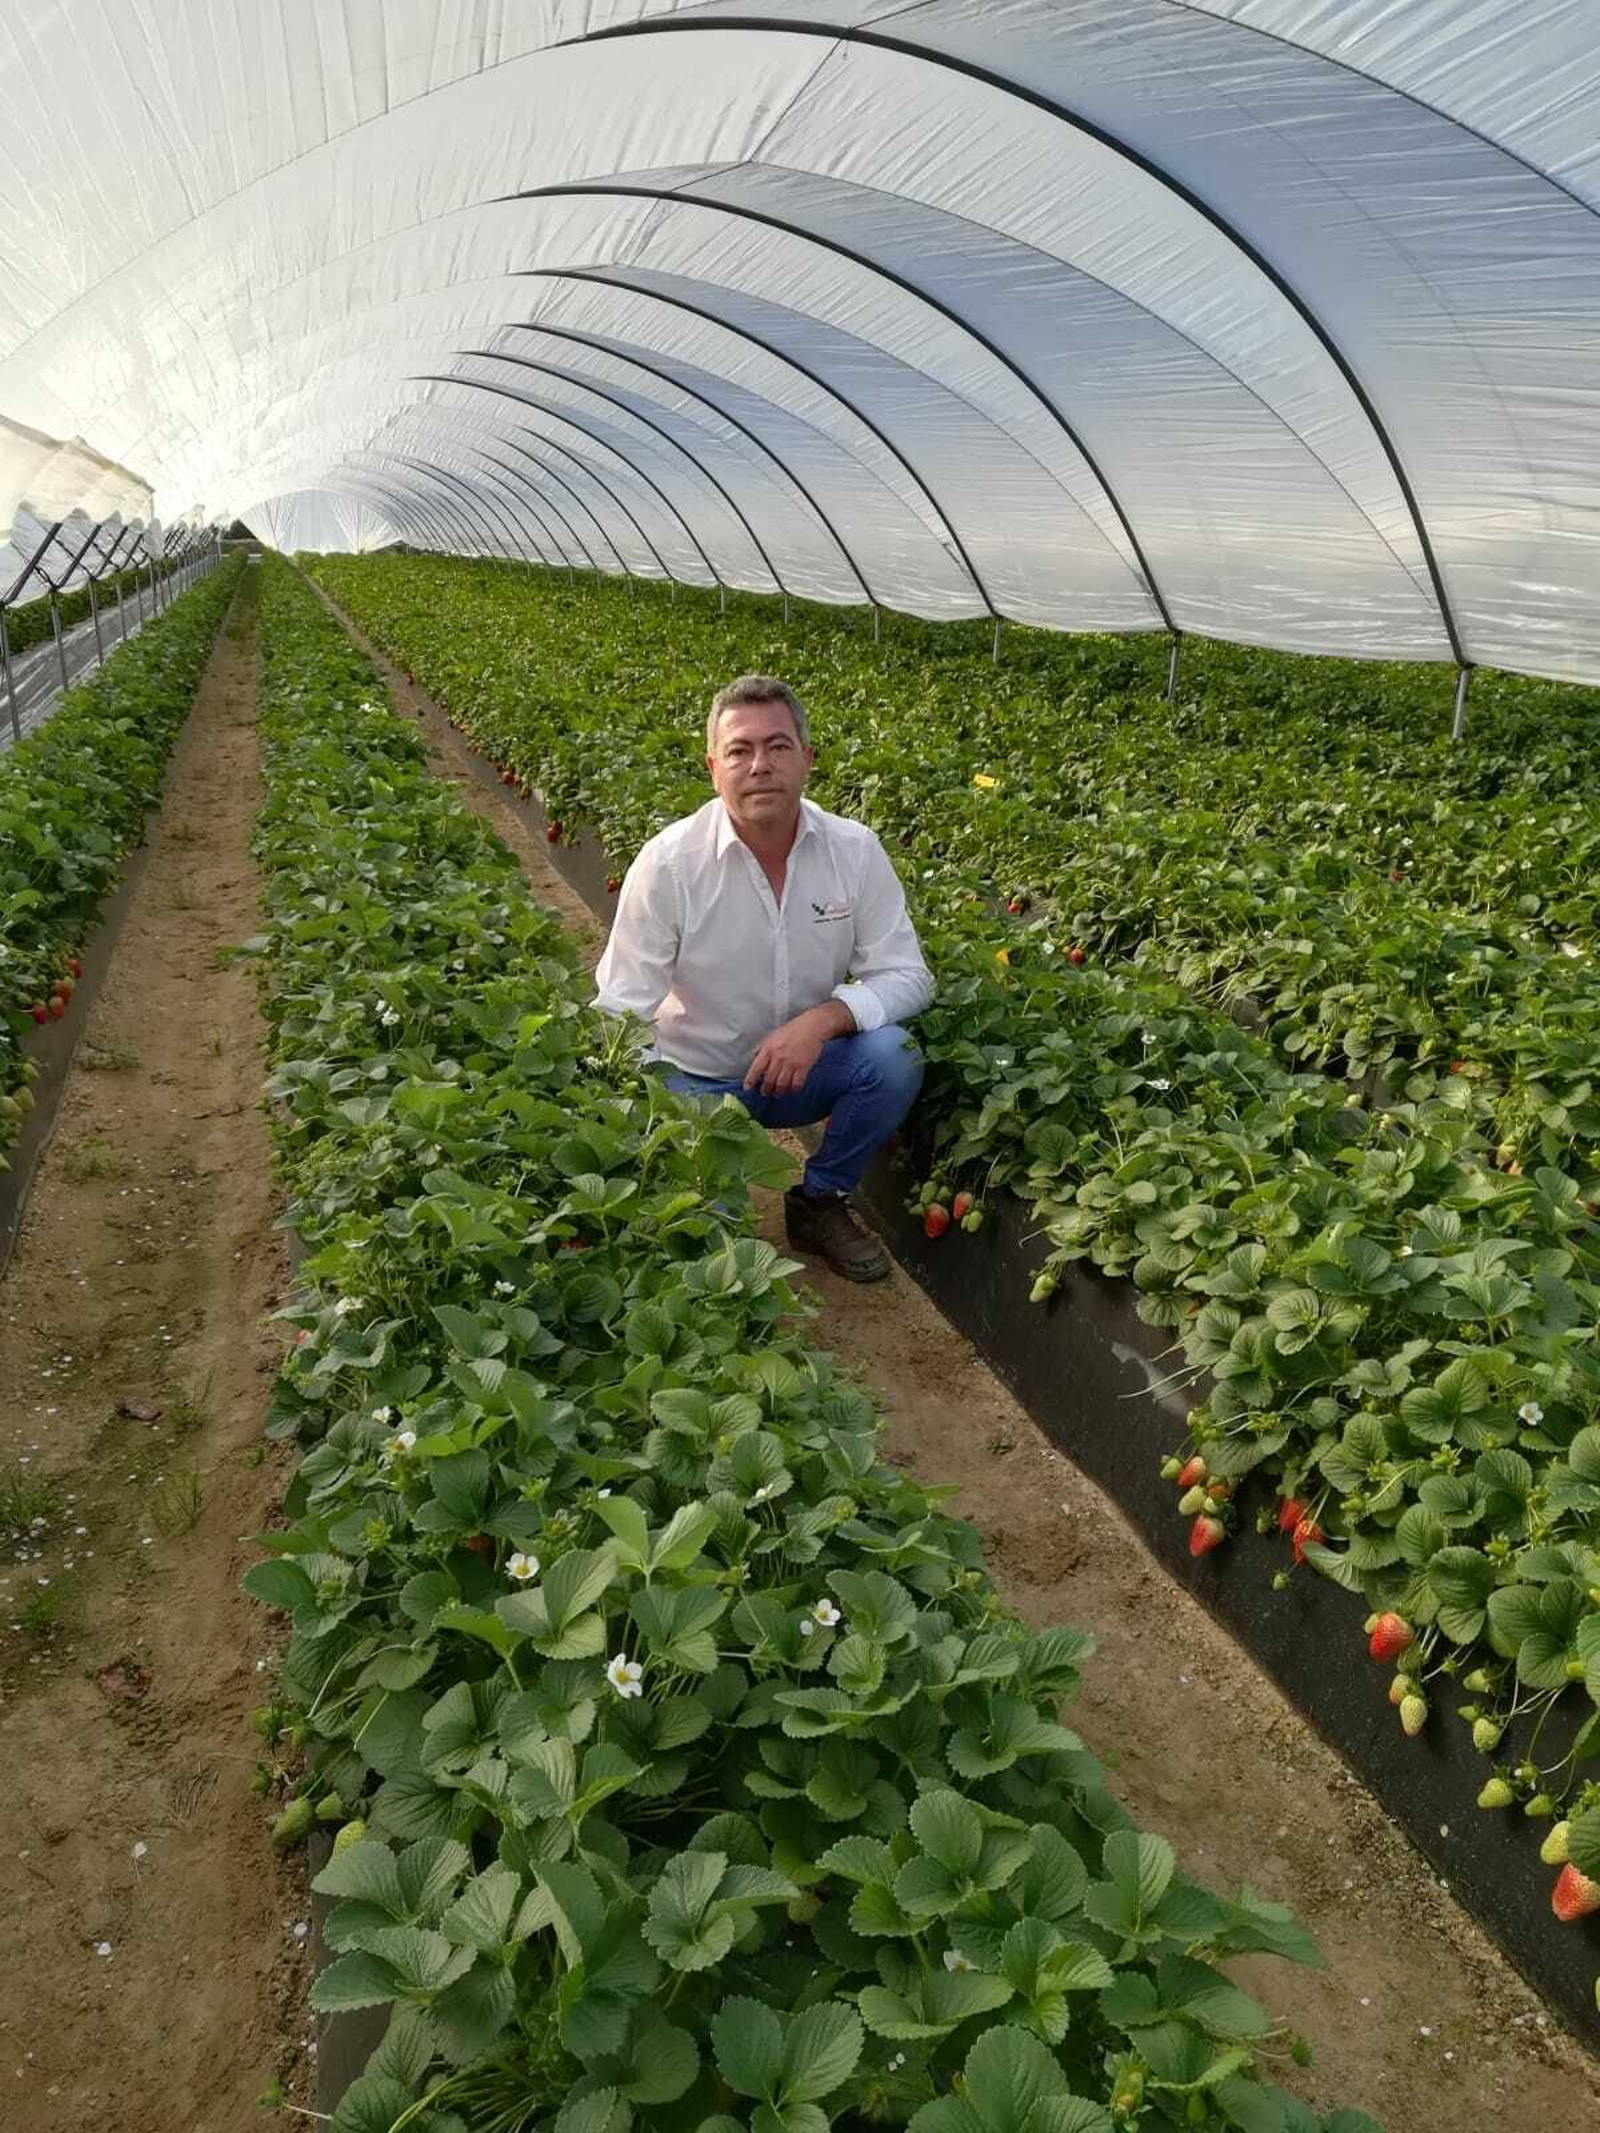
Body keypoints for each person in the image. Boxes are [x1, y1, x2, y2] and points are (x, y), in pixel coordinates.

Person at [594, 673, 933, 1282]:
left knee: (893, 1056)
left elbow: (908, 974)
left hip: (800, 1073)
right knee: (722, 1256)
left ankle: (820, 1201)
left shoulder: (854, 851)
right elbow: (620, 1010)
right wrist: (644, 1130)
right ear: (713, 768)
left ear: (807, 758)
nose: (760, 766)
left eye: (778, 746)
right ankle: (712, 1198)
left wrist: (822, 1020)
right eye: (739, 750)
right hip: (693, 1084)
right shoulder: (670, 865)